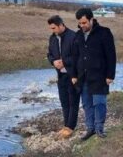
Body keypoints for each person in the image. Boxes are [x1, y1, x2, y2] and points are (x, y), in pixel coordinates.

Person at [71, 8, 116, 140]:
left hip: (100, 76)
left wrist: (110, 75)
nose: (82, 25)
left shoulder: (104, 33)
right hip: (82, 77)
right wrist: (74, 75)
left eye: (84, 22)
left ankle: (99, 128)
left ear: (91, 19)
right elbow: (75, 57)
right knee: (86, 104)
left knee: (99, 103)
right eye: (80, 23)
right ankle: (90, 129)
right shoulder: (78, 35)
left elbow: (111, 56)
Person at [47, 15, 80, 139]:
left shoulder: (74, 36)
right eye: (51, 28)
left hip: (73, 75)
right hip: (61, 75)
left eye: (54, 28)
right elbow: (49, 54)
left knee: (73, 102)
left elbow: (78, 56)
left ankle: (71, 127)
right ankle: (66, 126)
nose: (52, 30)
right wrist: (53, 62)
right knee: (64, 101)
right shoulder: (53, 38)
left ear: (61, 25)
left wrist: (64, 62)